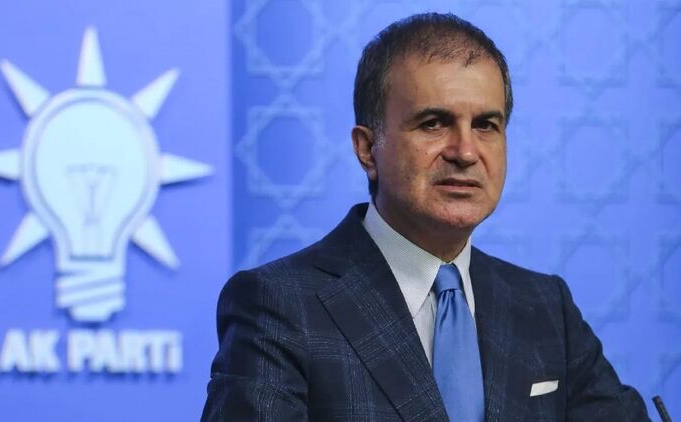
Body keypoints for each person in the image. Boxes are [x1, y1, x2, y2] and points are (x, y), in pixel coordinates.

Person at [202, 12, 649, 421]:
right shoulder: (279, 305)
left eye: (486, 125)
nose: (465, 152)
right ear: (367, 149)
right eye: (434, 123)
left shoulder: (546, 307)